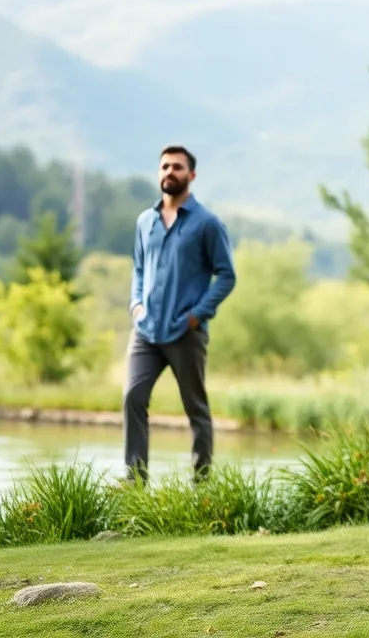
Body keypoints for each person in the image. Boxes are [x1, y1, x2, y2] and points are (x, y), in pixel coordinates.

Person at [125, 144, 236, 484]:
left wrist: (197, 315)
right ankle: (135, 482)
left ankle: (202, 485)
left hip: (185, 332)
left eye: (177, 167)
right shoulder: (145, 221)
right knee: (133, 398)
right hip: (146, 330)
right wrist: (136, 304)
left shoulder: (207, 223)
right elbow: (139, 269)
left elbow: (226, 275)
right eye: (164, 167)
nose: (169, 172)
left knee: (196, 410)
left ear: (191, 175)